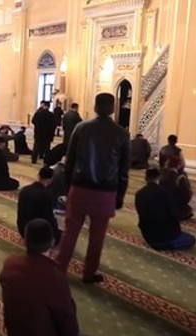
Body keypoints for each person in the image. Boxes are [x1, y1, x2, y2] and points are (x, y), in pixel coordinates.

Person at [56, 93, 130, 284]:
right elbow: (123, 171)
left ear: (95, 106)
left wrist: (67, 187)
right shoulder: (122, 133)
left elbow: (69, 161)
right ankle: (88, 274)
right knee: (97, 237)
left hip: (80, 187)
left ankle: (59, 270)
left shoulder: (81, 128)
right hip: (105, 192)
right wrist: (120, 195)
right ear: (113, 108)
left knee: (70, 232)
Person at [0, 219, 80, 336]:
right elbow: (67, 323)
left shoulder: (10, 264)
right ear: (52, 242)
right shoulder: (55, 278)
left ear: (25, 242)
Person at [135, 168, 196, 250]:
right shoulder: (165, 192)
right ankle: (168, 245)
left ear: (145, 178)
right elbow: (175, 214)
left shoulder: (139, 194)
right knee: (191, 239)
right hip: (167, 236)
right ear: (159, 178)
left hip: (148, 236)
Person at [17, 167, 62, 244]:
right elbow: (49, 218)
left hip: (23, 230)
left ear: (38, 175)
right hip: (35, 233)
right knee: (61, 235)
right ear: (50, 180)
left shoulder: (24, 189)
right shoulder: (45, 195)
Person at [160, 156, 193, 220]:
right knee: (188, 210)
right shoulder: (180, 178)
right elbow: (187, 196)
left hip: (159, 207)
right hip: (173, 208)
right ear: (178, 165)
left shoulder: (158, 174)